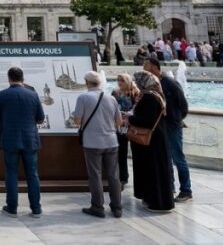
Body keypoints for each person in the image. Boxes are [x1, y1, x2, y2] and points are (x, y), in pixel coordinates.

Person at [0, 66, 45, 218]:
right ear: (23, 78)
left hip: (10, 139)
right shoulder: (33, 95)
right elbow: (40, 118)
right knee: (32, 174)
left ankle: (12, 207)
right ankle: (36, 208)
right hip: (30, 140)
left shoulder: (2, 95)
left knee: (11, 173)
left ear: (9, 79)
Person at [72, 71, 123, 218]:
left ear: (87, 83)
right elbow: (119, 121)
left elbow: (77, 121)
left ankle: (98, 207)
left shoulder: (83, 98)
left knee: (95, 175)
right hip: (111, 141)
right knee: (114, 175)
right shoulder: (111, 98)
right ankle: (117, 207)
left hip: (92, 142)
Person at [143, 57, 192, 202]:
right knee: (165, 157)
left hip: (172, 125)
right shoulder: (150, 84)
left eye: (146, 66)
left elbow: (183, 105)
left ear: (154, 67)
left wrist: (177, 119)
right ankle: (169, 187)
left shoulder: (169, 83)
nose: (144, 69)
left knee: (178, 157)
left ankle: (186, 190)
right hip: (160, 125)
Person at [129, 71, 174, 213]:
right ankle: (153, 199)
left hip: (152, 142)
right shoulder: (156, 95)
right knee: (156, 170)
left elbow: (147, 121)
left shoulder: (149, 97)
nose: (136, 85)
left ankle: (157, 202)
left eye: (138, 82)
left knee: (154, 171)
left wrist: (129, 119)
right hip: (157, 139)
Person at [112, 73, 140, 185]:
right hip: (120, 126)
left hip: (132, 125)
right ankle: (123, 176)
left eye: (122, 80)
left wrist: (128, 116)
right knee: (121, 151)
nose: (119, 82)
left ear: (128, 81)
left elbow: (137, 108)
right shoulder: (115, 93)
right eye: (118, 80)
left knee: (136, 152)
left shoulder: (135, 92)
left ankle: (138, 179)